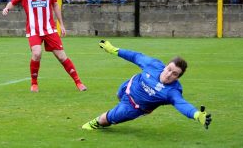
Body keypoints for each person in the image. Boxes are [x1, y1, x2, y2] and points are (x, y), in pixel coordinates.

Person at [82, 40, 212, 130]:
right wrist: (113, 50)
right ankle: (119, 105)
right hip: (128, 86)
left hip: (135, 107)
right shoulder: (153, 65)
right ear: (165, 66)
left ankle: (95, 123)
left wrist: (196, 115)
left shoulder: (172, 91)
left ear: (178, 77)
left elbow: (182, 104)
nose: (168, 74)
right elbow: (135, 56)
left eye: (174, 74)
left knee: (106, 119)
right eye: (169, 69)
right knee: (118, 95)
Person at [2, 0, 87, 92]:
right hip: (33, 29)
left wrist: (61, 24)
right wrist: (7, 8)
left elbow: (55, 5)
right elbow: (13, 1)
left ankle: (78, 83)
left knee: (62, 56)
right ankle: (34, 84)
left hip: (49, 29)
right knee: (36, 53)